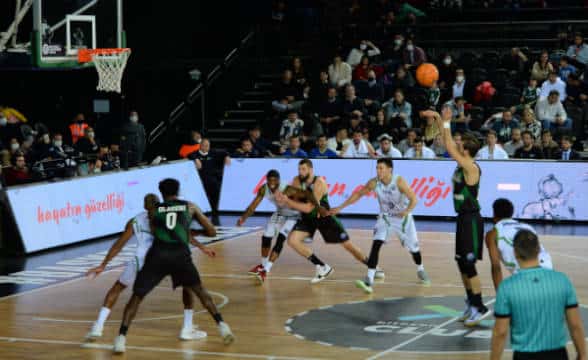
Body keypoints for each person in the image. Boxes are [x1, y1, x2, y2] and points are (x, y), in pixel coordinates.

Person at [111, 179, 234, 353]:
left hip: (158, 254)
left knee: (137, 296)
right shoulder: (189, 207)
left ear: (161, 193)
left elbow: (156, 232)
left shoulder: (154, 211)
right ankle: (222, 326)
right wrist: (193, 232)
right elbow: (212, 231)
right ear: (178, 190)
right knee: (199, 291)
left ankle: (121, 339)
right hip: (180, 255)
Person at [86, 194, 216, 341]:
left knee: (117, 289)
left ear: (144, 206)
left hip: (140, 261)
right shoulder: (166, 216)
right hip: (163, 258)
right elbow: (184, 236)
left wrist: (103, 264)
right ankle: (187, 328)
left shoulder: (134, 221)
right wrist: (202, 247)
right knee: (188, 287)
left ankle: (98, 326)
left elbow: (118, 245)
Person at [329, 158, 430, 293]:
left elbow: (414, 199)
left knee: (414, 250)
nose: (378, 170)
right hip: (386, 217)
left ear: (390, 170)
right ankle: (369, 280)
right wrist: (340, 207)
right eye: (377, 168)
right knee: (376, 244)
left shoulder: (399, 181)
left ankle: (420, 268)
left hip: (403, 219)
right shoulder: (374, 183)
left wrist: (406, 211)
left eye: (381, 168)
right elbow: (358, 194)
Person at [426, 108, 488, 326]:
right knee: (461, 263)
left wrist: (446, 122)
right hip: (462, 219)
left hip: (472, 219)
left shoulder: (470, 167)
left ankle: (479, 306)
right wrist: (438, 118)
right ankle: (471, 302)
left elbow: (450, 146)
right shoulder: (460, 164)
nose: (457, 144)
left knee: (469, 265)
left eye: (461, 144)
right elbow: (447, 142)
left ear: (467, 150)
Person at [274, 159, 375, 284]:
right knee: (293, 241)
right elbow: (288, 195)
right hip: (308, 219)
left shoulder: (319, 183)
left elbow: (309, 208)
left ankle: (373, 266)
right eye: (299, 169)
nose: (301, 172)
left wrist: (288, 201)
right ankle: (322, 267)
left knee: (348, 246)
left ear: (311, 170)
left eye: (304, 169)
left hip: (324, 218)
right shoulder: (296, 180)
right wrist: (281, 197)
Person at [490, 230, 586, 360]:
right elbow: (575, 325)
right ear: (539, 249)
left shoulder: (507, 287)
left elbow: (500, 333)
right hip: (558, 355)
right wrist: (582, 354)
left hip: (524, 356)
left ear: (515, 252)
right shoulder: (562, 280)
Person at [237, 170, 314, 283]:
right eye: (269, 180)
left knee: (280, 239)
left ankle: (266, 270)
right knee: (266, 237)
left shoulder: (287, 189)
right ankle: (262, 266)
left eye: (274, 180)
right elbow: (253, 205)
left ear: (279, 180)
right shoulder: (264, 189)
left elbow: (306, 196)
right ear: (266, 180)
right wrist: (243, 218)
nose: (272, 182)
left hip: (293, 215)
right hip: (280, 213)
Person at [485, 198, 552, 291]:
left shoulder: (492, 234)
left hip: (527, 274)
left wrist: (500, 295)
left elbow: (496, 267)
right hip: (548, 269)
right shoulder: (527, 227)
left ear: (494, 214)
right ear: (511, 213)